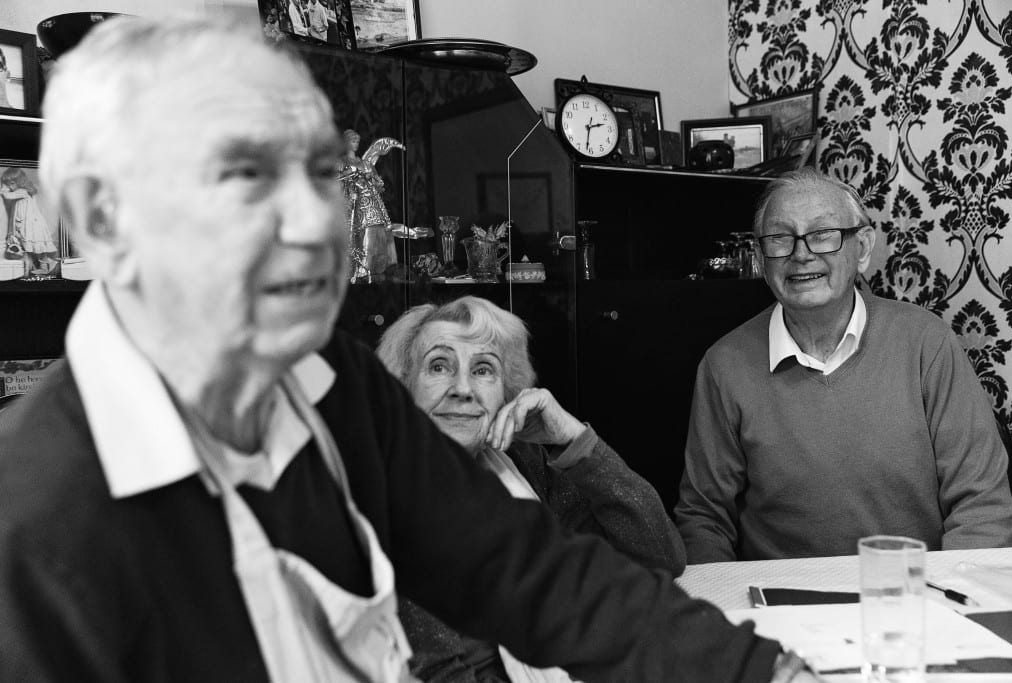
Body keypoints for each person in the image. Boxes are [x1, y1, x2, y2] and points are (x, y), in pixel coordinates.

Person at [0, 15, 821, 683]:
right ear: (104, 219)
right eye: (246, 176)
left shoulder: (330, 380)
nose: (314, 224)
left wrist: (764, 673)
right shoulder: (40, 530)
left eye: (322, 172)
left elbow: (525, 571)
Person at [674, 167, 1012, 563]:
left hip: (914, 599)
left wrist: (942, 607)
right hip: (780, 610)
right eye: (781, 238)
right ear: (759, 257)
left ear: (863, 248)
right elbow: (703, 519)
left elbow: (982, 506)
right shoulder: (724, 365)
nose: (802, 254)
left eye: (823, 234)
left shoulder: (927, 343)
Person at [377, 296, 686, 682]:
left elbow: (659, 557)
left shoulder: (521, 465)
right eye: (439, 366)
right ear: (404, 385)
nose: (463, 388)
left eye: (484, 370)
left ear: (506, 394)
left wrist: (574, 442)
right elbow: (438, 674)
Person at [337, 128, 401, 281]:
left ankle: (376, 264)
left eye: (357, 141)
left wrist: (376, 182)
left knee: (376, 229)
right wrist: (349, 179)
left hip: (372, 201)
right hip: (354, 202)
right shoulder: (340, 163)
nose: (356, 144)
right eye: (353, 141)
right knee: (360, 232)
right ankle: (360, 266)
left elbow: (377, 181)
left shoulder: (365, 163)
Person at [0, 167, 59, 279]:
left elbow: (8, 196)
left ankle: (48, 264)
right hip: (25, 224)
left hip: (32, 225)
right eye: (8, 184)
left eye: (12, 183)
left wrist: (3, 190)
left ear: (20, 182)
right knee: (28, 247)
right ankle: (34, 265)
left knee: (38, 248)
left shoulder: (23, 191)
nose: (10, 187)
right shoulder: (20, 192)